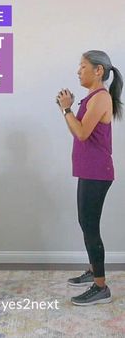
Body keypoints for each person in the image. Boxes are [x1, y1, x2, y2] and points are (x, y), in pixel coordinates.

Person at [56, 50, 123, 306]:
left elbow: (81, 132)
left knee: (90, 226)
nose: (78, 71)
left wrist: (66, 109)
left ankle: (101, 287)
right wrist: (69, 109)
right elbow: (81, 131)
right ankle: (94, 271)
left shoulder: (101, 97)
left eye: (83, 66)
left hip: (97, 172)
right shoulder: (92, 98)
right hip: (89, 171)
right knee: (86, 224)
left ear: (98, 70)